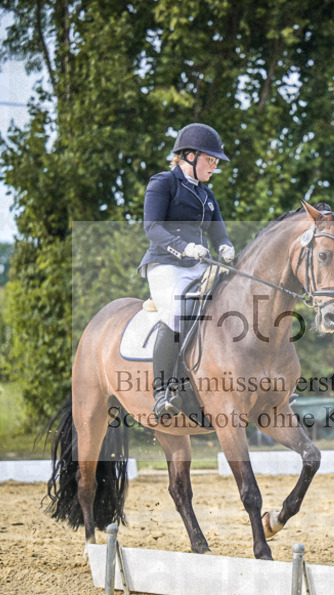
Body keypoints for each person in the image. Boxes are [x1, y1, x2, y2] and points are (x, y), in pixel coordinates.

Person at [139, 123, 236, 418]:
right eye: (211, 160)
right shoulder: (163, 183)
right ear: (190, 156)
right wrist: (183, 247)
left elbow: (219, 233)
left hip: (199, 266)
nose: (214, 166)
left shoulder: (207, 195)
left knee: (229, 306)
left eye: (216, 161)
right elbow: (152, 228)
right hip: (165, 265)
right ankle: (161, 391)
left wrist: (227, 247)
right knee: (179, 313)